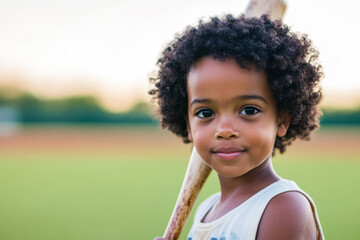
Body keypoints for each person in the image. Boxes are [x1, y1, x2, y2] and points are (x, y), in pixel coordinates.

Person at [150, 14, 325, 240]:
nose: (224, 129)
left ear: (282, 120)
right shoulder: (206, 209)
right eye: (205, 113)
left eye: (249, 110)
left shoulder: (283, 207)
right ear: (189, 127)